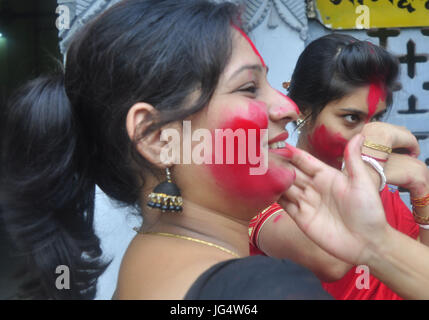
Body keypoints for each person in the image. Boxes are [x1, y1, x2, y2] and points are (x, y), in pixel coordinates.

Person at [248, 34, 429, 299]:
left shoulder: (380, 190)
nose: (368, 134)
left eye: (376, 119)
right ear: (304, 111)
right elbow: (330, 262)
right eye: (351, 118)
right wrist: (369, 164)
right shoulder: (270, 187)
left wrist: (423, 192)